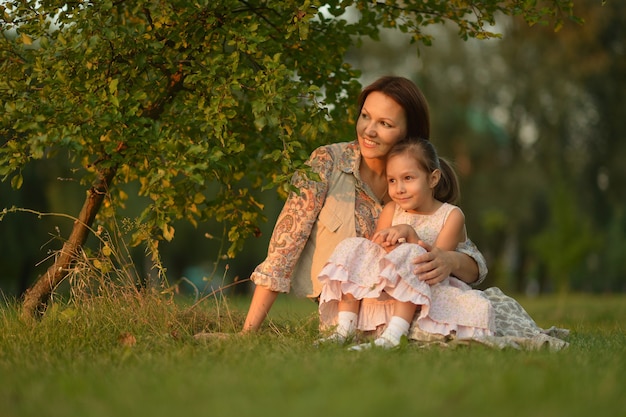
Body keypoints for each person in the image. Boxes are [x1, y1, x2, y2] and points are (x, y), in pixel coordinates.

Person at [241, 76, 488, 333]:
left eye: (385, 123)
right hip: (348, 318)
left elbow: (473, 265)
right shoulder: (326, 163)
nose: (369, 130)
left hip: (413, 316)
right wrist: (247, 334)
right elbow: (283, 250)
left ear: (408, 133)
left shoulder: (419, 182)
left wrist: (450, 261)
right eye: (365, 116)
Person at [316, 138, 495, 349]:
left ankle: (394, 335)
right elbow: (377, 253)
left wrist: (410, 236)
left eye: (408, 178)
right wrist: (388, 245)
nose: (399, 188)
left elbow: (434, 263)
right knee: (354, 246)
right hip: (393, 288)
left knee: (413, 254)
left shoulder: (451, 216)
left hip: (431, 288)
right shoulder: (391, 210)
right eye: (392, 180)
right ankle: (345, 329)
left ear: (433, 179)